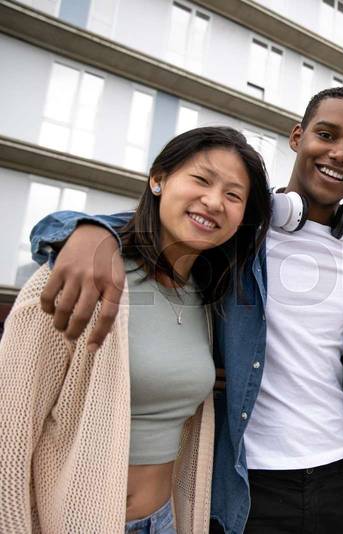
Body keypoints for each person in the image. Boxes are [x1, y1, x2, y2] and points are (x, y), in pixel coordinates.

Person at [25, 87, 343, 534]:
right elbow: (158, 222)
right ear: (297, 137)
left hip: (340, 470)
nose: (339, 154)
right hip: (245, 476)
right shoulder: (238, 236)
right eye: (326, 134)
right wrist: (85, 230)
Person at [0, 126, 270, 533]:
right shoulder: (80, 278)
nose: (214, 202)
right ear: (158, 180)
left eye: (233, 196)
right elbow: (10, 433)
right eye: (200, 179)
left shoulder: (207, 299)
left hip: (164, 520)